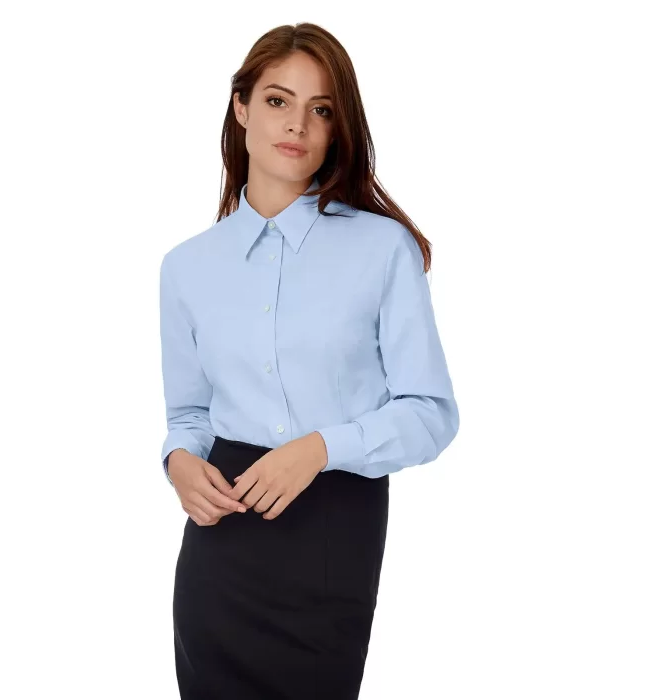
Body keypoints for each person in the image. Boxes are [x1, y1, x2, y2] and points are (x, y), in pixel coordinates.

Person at [158, 22, 460, 700]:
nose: (297, 124)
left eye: (320, 109)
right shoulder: (186, 268)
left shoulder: (382, 249)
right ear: (240, 108)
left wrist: (321, 448)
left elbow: (431, 414)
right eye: (277, 100)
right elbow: (188, 415)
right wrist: (178, 462)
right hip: (222, 547)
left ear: (337, 128)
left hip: (334, 530)